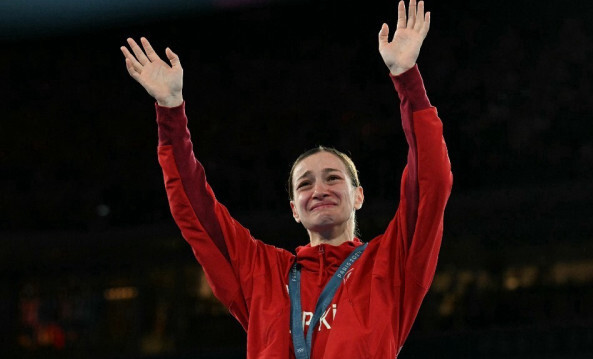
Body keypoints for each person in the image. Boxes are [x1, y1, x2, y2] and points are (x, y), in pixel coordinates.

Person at [120, 0, 452, 357]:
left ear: (358, 195)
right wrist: (171, 112)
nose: (320, 189)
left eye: (332, 178)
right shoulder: (262, 275)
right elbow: (196, 214)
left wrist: (407, 79)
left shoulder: (391, 266)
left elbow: (432, 182)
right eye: (305, 183)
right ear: (294, 208)